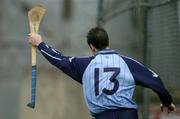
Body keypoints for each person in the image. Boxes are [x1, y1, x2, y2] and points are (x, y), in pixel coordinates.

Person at [28, 27, 176, 119]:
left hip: (103, 116)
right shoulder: (128, 63)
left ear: (91, 47)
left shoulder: (83, 65)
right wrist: (167, 101)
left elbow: (59, 60)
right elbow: (155, 81)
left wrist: (40, 44)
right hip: (128, 115)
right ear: (108, 42)